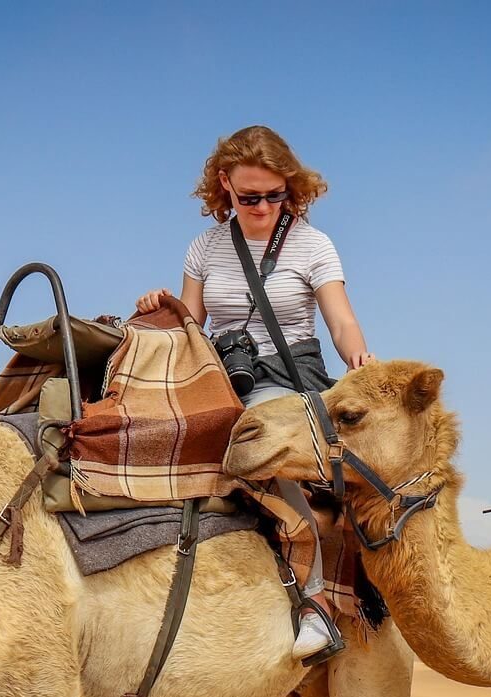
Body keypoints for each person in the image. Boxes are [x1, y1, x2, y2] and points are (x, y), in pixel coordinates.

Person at [136, 125, 377, 659]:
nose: (263, 206)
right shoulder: (205, 248)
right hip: (224, 376)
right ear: (225, 186)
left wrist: (358, 358)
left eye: (275, 195)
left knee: (261, 441)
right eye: (250, 197)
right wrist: (162, 305)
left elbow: (340, 321)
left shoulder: (313, 245)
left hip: (290, 382)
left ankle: (313, 601)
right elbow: (189, 326)